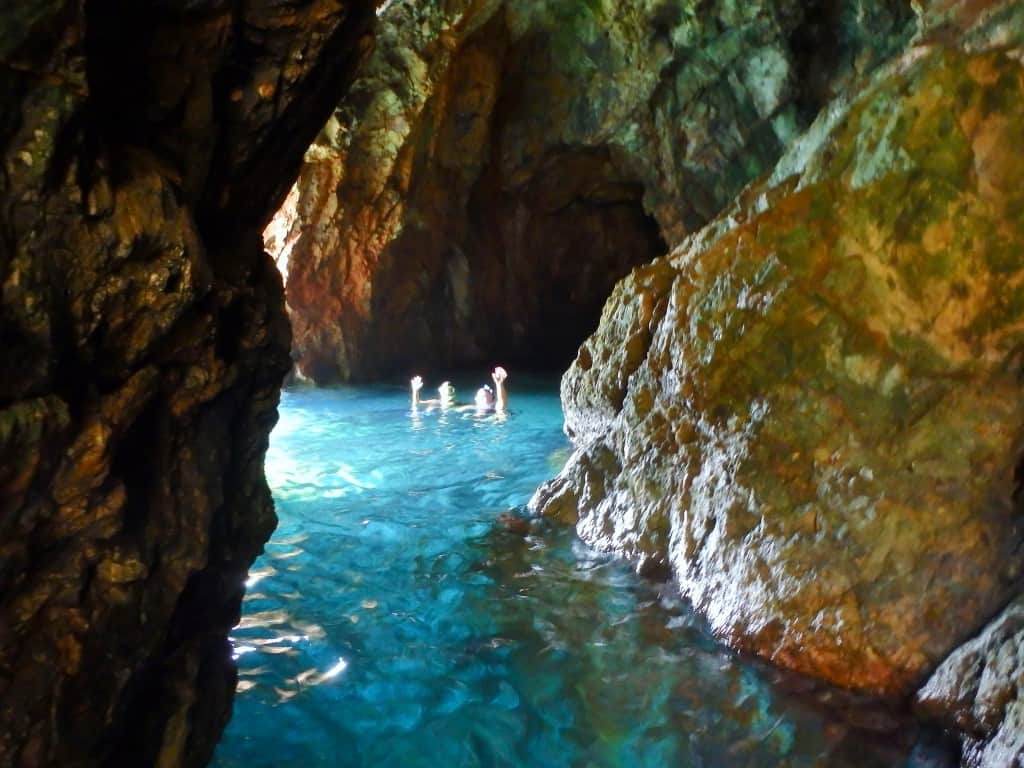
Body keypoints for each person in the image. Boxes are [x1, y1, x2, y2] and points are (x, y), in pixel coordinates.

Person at [411, 367, 508, 413]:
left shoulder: (490, 407)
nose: (449, 388)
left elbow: (501, 404)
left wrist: (499, 384)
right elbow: (417, 404)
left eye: (485, 395)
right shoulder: (438, 402)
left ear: (491, 399)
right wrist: (415, 391)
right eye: (480, 395)